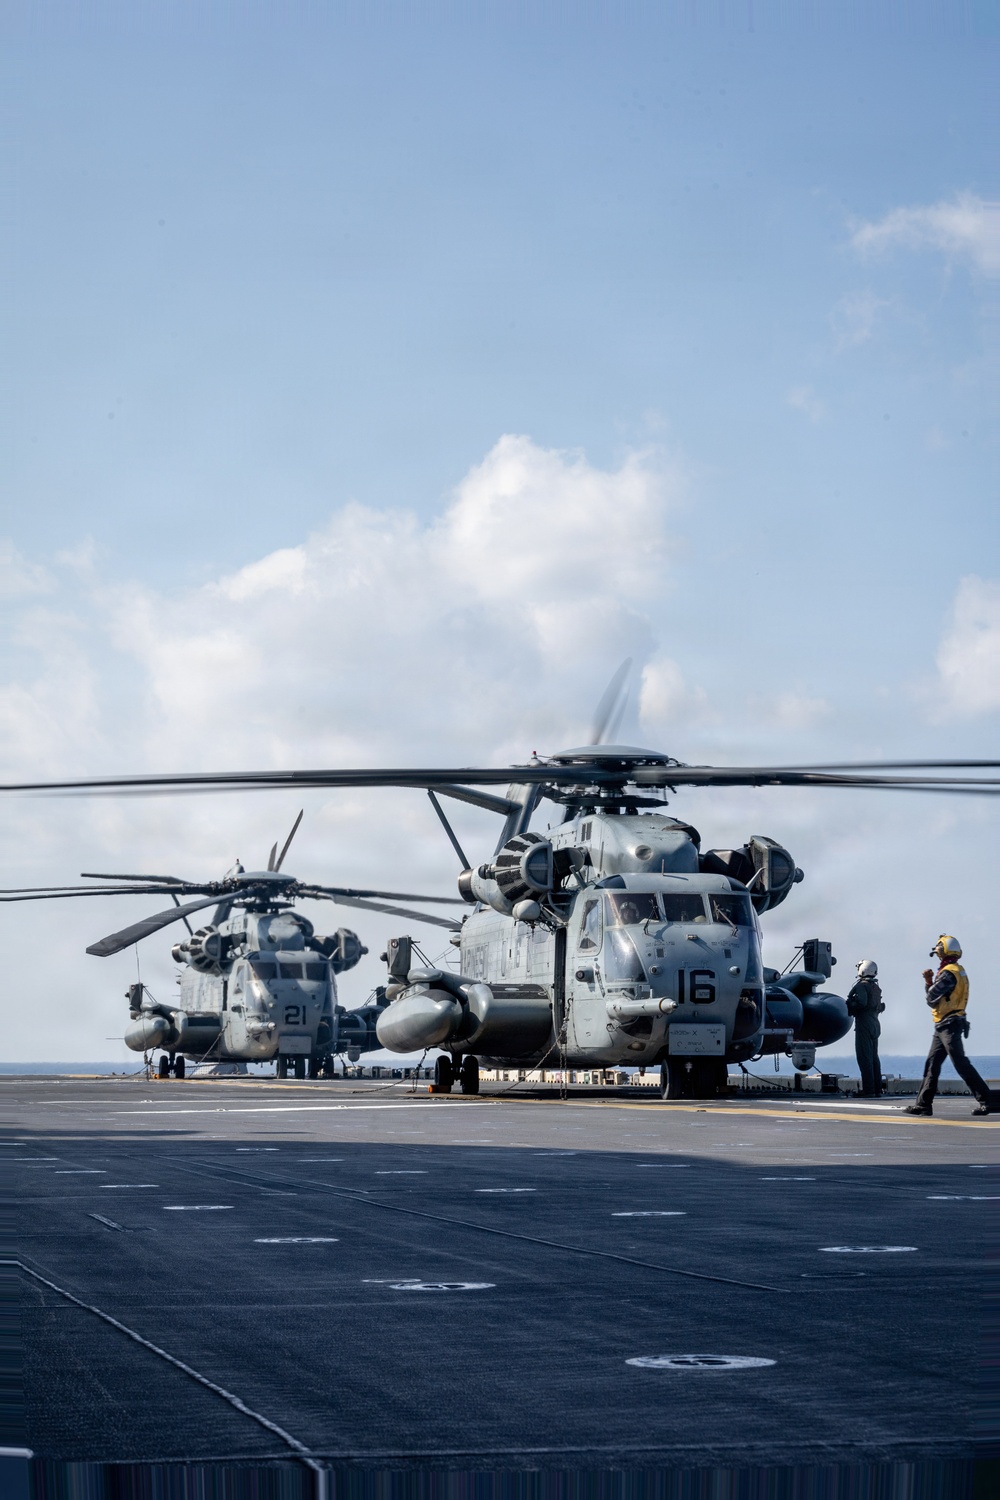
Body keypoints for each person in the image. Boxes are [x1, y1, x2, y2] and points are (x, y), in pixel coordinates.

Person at [904, 935, 996, 1117]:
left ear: (943, 951)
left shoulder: (947, 973)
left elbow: (931, 999)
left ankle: (989, 1101)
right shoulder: (959, 970)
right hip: (945, 1024)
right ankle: (923, 1105)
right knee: (932, 1064)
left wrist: (928, 982)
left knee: (960, 1063)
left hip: (948, 1024)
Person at [847, 959, 883, 1097]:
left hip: (864, 1024)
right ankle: (877, 1089)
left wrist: (851, 1005)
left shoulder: (862, 986)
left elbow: (861, 1002)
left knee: (864, 1057)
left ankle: (868, 1090)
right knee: (874, 1057)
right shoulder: (876, 987)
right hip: (875, 1023)